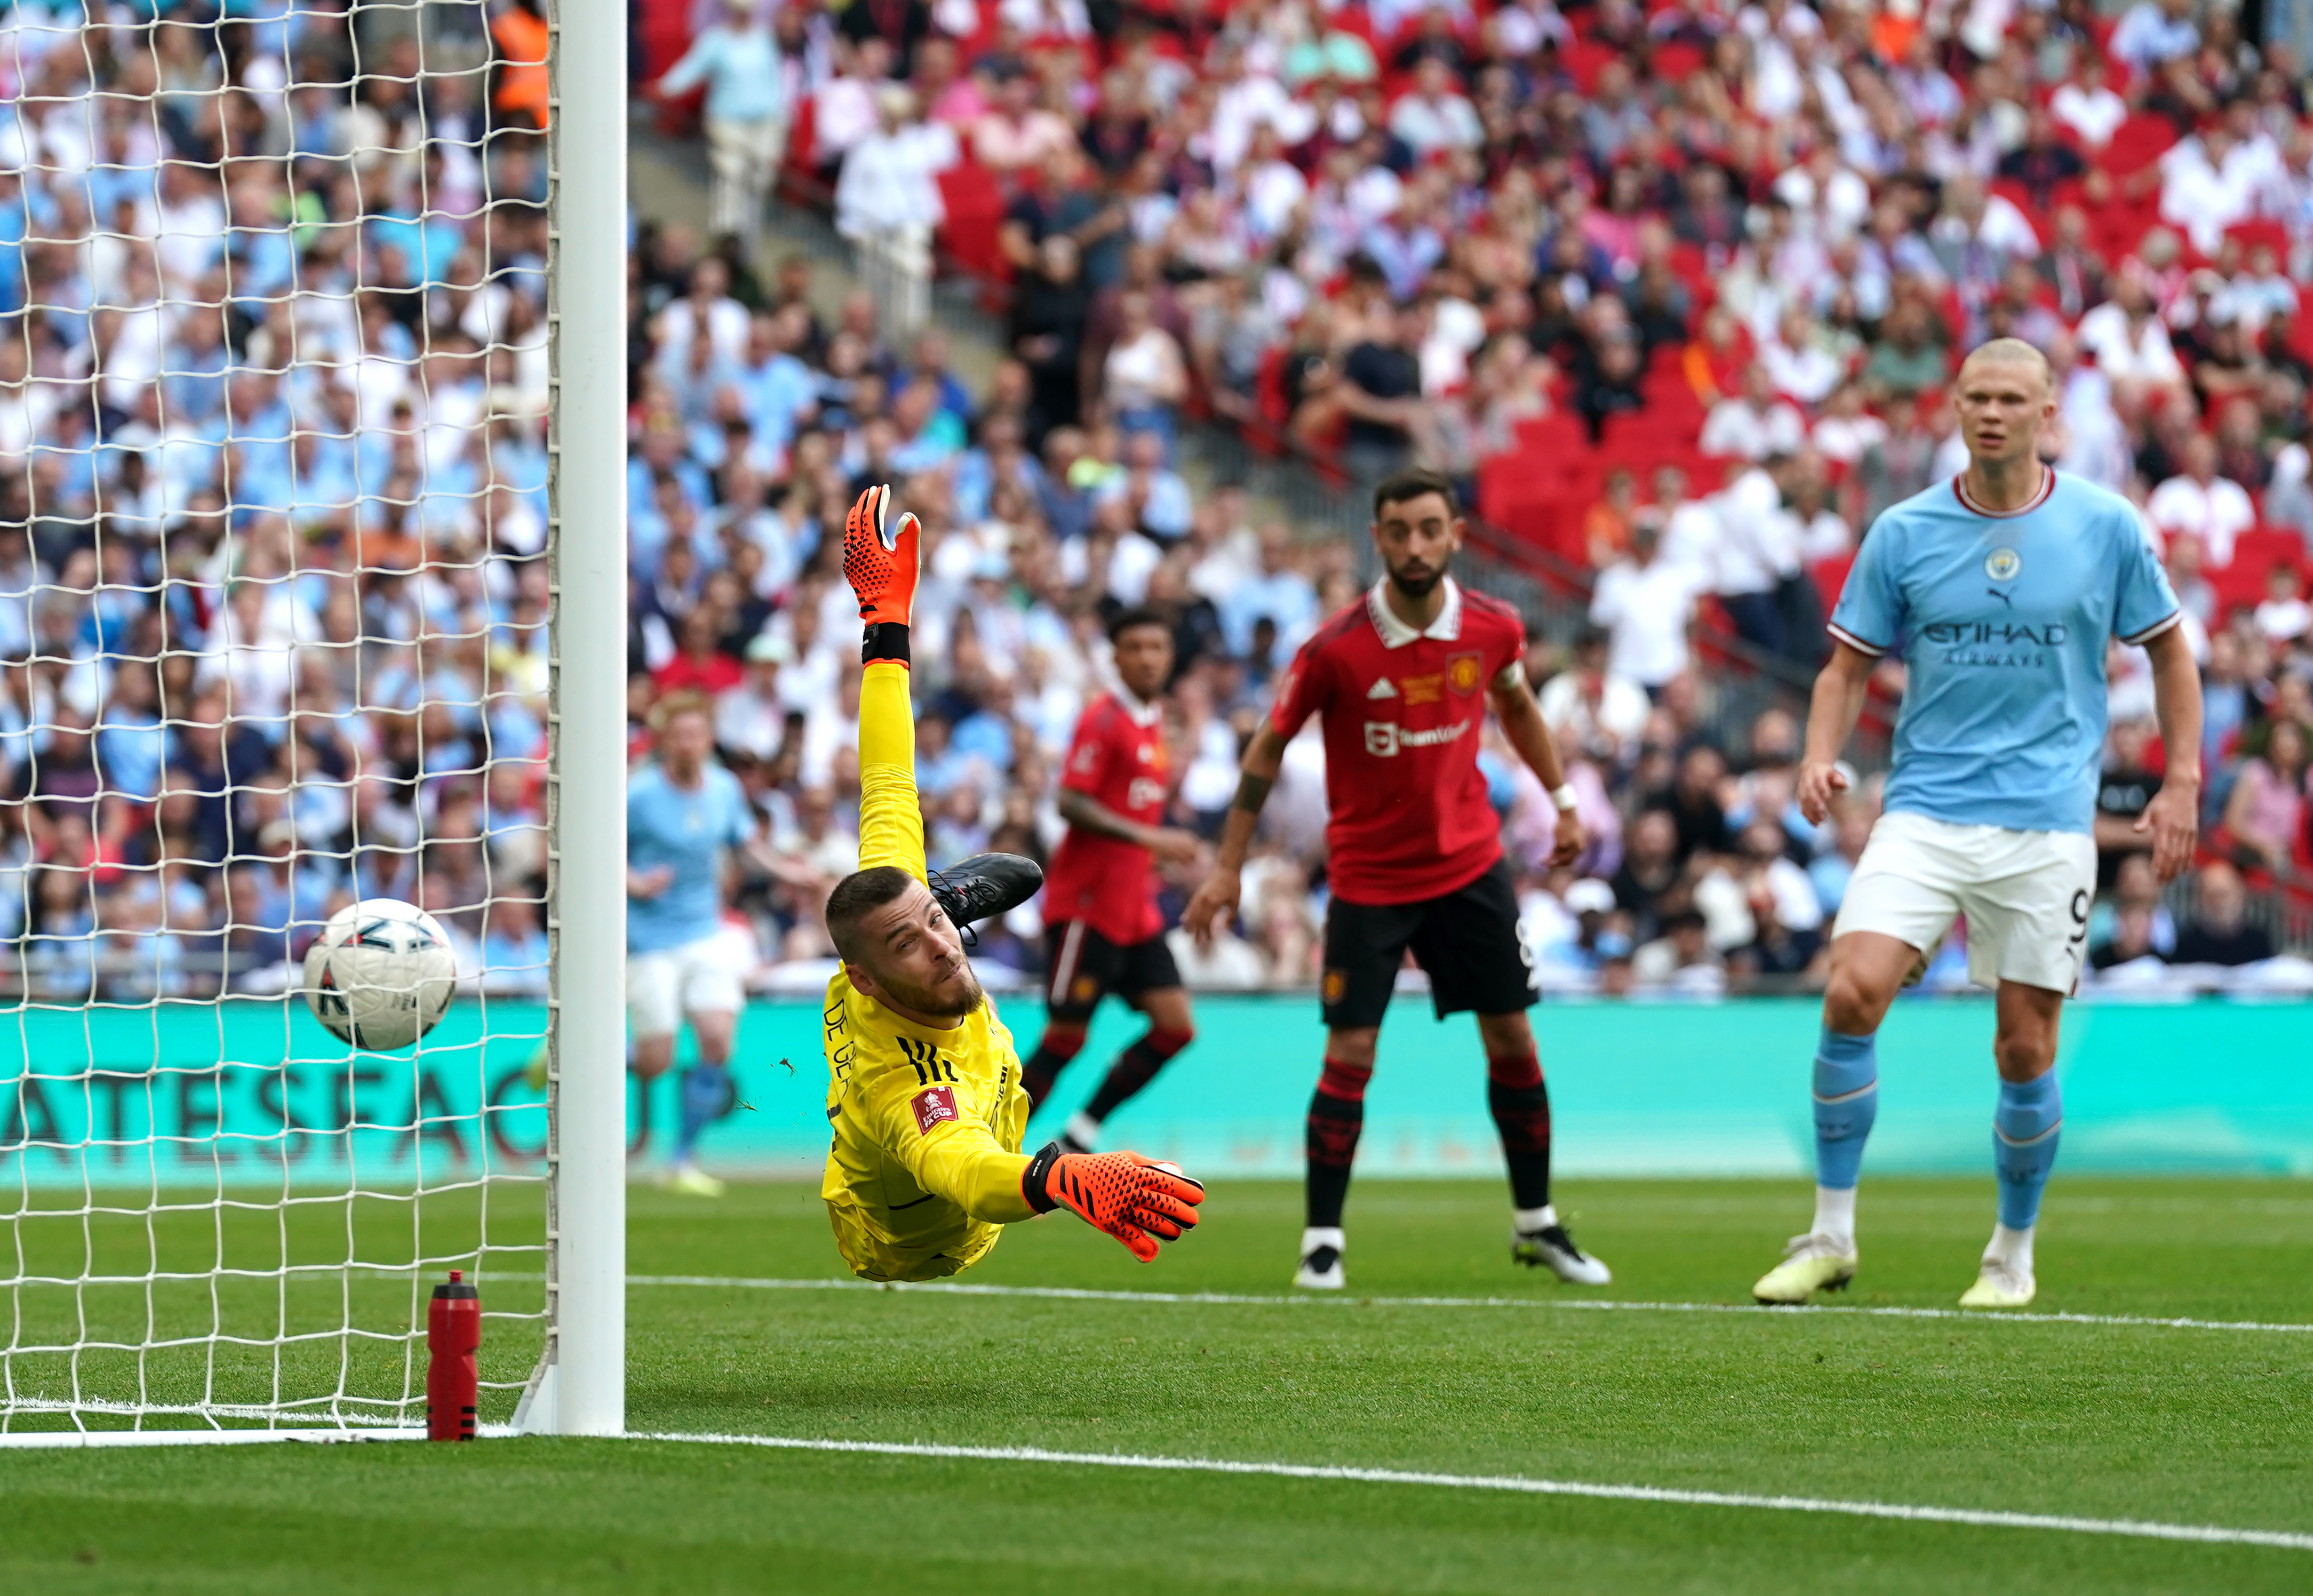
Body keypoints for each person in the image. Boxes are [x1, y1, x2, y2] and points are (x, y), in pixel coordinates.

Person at [1753, 340, 2202, 1312]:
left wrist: (2182, 782)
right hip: (1924, 809)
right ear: (1953, 408)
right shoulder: (1905, 532)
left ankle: (2009, 1255)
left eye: (2011, 399)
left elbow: (2170, 653)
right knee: (1851, 992)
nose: (1990, 413)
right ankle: (1829, 1234)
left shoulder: (2103, 525)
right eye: (1975, 398)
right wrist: (1816, 752)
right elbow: (1843, 668)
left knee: (2023, 1049)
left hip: (2045, 824)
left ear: (2048, 413)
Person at [1184, 468, 1605, 1291]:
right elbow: (1267, 748)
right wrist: (1228, 865)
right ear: (1376, 539)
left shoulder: (1493, 628)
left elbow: (1515, 702)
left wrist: (1561, 800)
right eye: (1399, 531)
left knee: (1514, 1039)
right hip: (1370, 881)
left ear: (1456, 536)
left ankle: (1537, 1224)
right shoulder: (1335, 648)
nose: (1415, 545)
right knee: (1352, 1051)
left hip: (1471, 867)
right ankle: (1322, 1242)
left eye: (1429, 529)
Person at [820, 484, 1204, 1282]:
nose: (944, 949)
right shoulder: (910, 1090)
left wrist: (884, 625)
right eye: (911, 939)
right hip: (918, 1245)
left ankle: (941, 896)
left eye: (933, 925)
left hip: (937, 1023)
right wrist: (1058, 1177)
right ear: (864, 975)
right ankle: (934, 908)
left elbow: (888, 776)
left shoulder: (894, 906)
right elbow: (968, 1172)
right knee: (1035, 1026)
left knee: (920, 870)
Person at [1022, 608, 1205, 1152]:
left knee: (1175, 1026)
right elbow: (1070, 801)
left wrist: (1158, 851)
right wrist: (1152, 841)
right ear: (1116, 656)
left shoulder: (1152, 720)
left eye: (1157, 647)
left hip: (1133, 909)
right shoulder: (1103, 719)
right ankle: (982, 1146)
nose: (1148, 658)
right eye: (1136, 647)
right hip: (1087, 906)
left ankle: (1079, 1136)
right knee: (1066, 1037)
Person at [626, 691, 759, 1197]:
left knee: (717, 1040)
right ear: (664, 741)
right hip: (648, 939)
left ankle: (681, 1159)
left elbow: (747, 845)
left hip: (705, 932)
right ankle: (564, 1053)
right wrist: (635, 883)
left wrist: (798, 873)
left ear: (708, 740)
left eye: (696, 735)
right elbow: (597, 846)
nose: (688, 744)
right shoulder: (639, 796)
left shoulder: (725, 789)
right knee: (656, 1061)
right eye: (678, 735)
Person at [653, 0, 789, 246]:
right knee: (731, 173)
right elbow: (691, 68)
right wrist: (666, 88)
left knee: (760, 180)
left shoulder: (764, 38)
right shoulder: (716, 40)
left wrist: (783, 117)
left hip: (764, 122)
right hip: (728, 121)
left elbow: (775, 81)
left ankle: (750, 239)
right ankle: (726, 237)